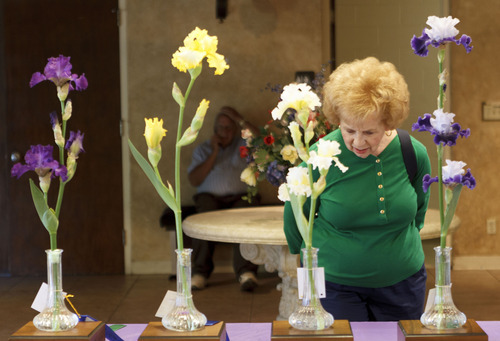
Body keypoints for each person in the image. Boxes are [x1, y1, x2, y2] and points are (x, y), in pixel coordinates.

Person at [283, 57, 431, 321]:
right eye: (349, 130)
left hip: (404, 284)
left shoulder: (413, 153)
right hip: (335, 286)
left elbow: (419, 210)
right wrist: (306, 263)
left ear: (388, 123)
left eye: (370, 132)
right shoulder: (320, 156)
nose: (358, 142)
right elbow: (295, 216)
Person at [188, 106, 260, 292]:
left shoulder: (243, 145)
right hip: (209, 198)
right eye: (221, 128)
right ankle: (200, 273)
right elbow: (194, 180)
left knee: (246, 216)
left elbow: (260, 139)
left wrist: (239, 118)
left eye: (229, 128)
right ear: (215, 130)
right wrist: (214, 152)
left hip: (240, 198)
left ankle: (247, 273)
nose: (225, 132)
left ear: (235, 129)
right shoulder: (203, 149)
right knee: (204, 216)